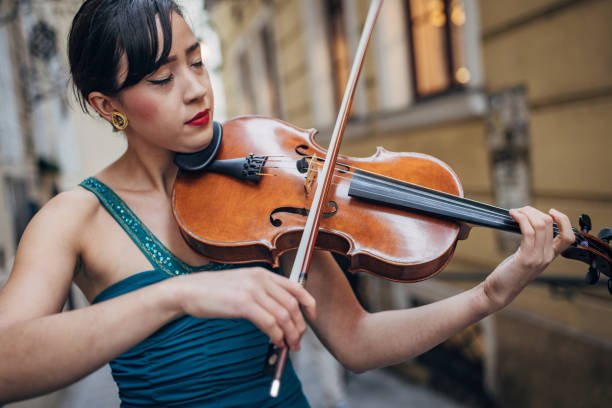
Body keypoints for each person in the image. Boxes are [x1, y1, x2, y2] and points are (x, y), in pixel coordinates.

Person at [0, 0, 575, 406]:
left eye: (196, 60)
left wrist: (490, 295)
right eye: (161, 78)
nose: (197, 88)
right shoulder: (74, 219)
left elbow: (358, 341)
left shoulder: (267, 184)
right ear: (107, 106)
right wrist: (179, 293)